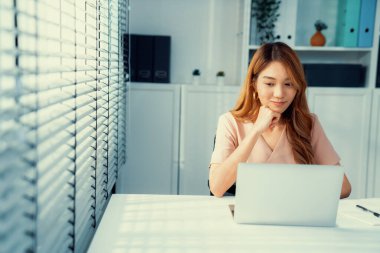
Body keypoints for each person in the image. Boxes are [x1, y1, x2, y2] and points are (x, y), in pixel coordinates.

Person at [208, 42, 351, 198]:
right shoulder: (230, 122)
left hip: (295, 216)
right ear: (254, 84)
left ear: (297, 88)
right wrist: (256, 131)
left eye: (288, 84)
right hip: (248, 218)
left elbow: (343, 187)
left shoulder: (309, 123)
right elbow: (217, 187)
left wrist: (297, 196)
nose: (279, 93)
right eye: (269, 83)